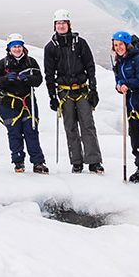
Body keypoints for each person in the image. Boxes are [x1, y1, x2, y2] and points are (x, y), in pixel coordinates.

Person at [43, 9, 104, 174]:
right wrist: (52, 97)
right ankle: (76, 161)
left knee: (88, 125)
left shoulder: (80, 43)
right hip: (64, 92)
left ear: (69, 25)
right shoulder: (51, 47)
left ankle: (94, 161)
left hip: (82, 89)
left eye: (63, 23)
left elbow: (90, 66)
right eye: (58, 23)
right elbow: (49, 74)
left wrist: (93, 89)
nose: (61, 26)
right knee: (70, 127)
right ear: (54, 26)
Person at [0, 33, 48, 173]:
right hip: (8, 104)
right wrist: (5, 79)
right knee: (14, 132)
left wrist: (28, 79)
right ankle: (18, 162)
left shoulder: (31, 62)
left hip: (27, 102)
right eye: (14, 46)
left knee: (31, 132)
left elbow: (39, 80)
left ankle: (38, 162)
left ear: (23, 47)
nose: (17, 49)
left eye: (19, 46)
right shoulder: (3, 64)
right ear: (9, 48)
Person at [112, 30, 139, 184]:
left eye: (120, 44)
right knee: (135, 138)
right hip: (131, 105)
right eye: (116, 45)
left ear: (127, 44)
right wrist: (119, 86)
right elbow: (118, 80)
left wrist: (126, 85)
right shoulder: (119, 62)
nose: (118, 47)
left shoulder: (138, 59)